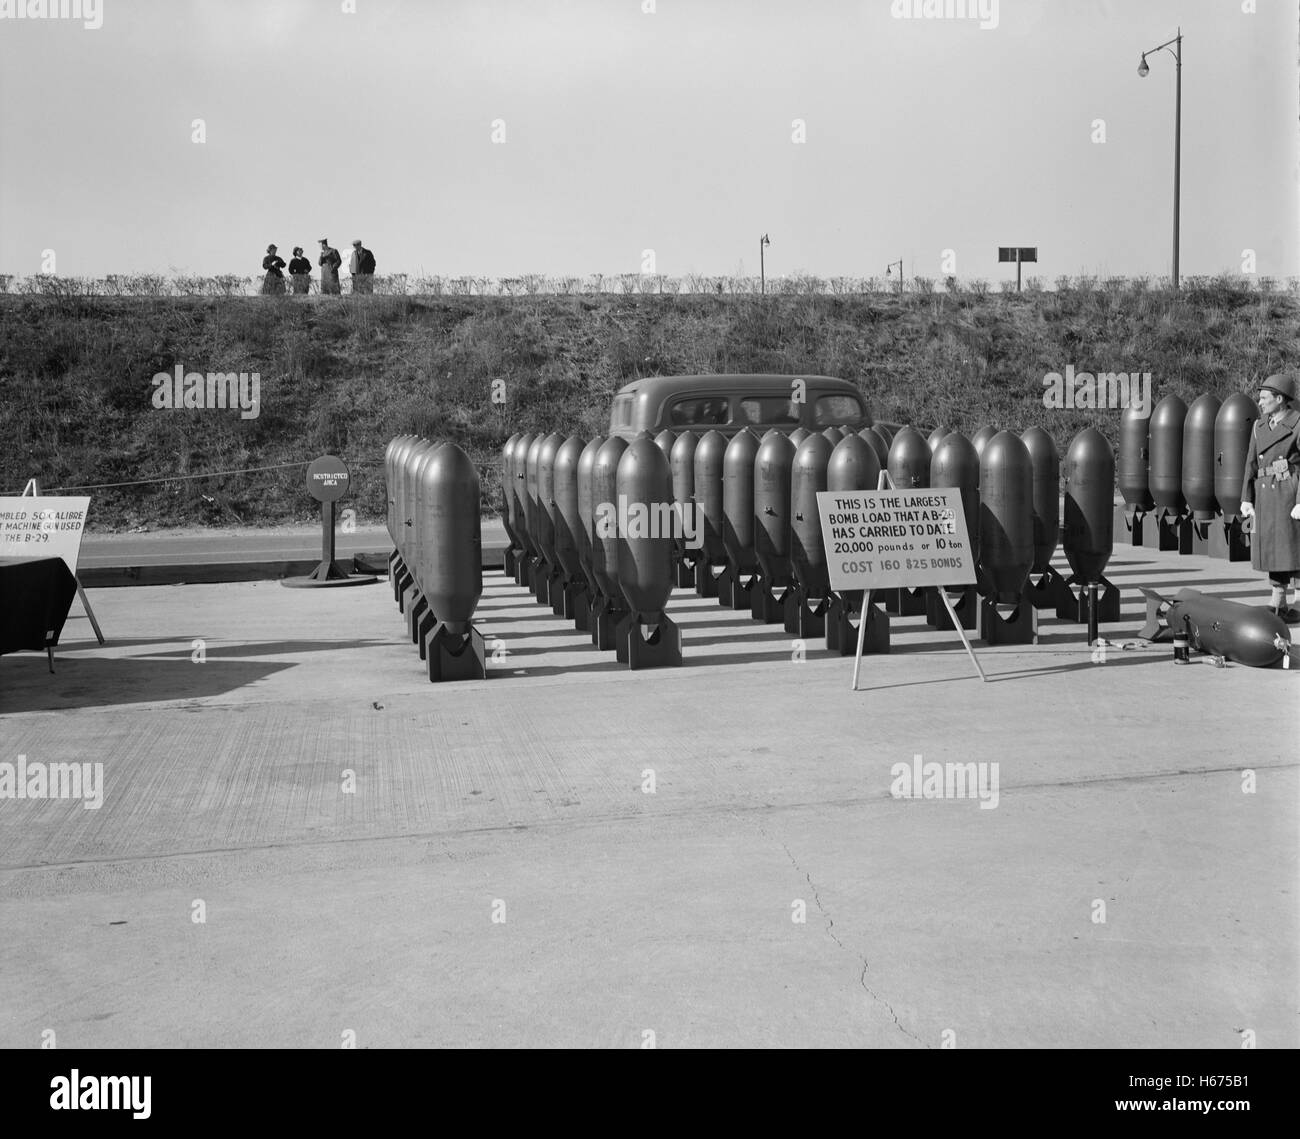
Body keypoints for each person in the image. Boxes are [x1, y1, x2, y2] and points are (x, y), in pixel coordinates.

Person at [1239, 373, 1300, 623]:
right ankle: (1278, 600)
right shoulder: (1259, 425)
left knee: (1293, 547)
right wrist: (1246, 498)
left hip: (1288, 491)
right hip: (1265, 493)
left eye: (1265, 398)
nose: (1260, 402)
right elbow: (1250, 464)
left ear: (1280, 398)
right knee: (1274, 549)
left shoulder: (1297, 424)